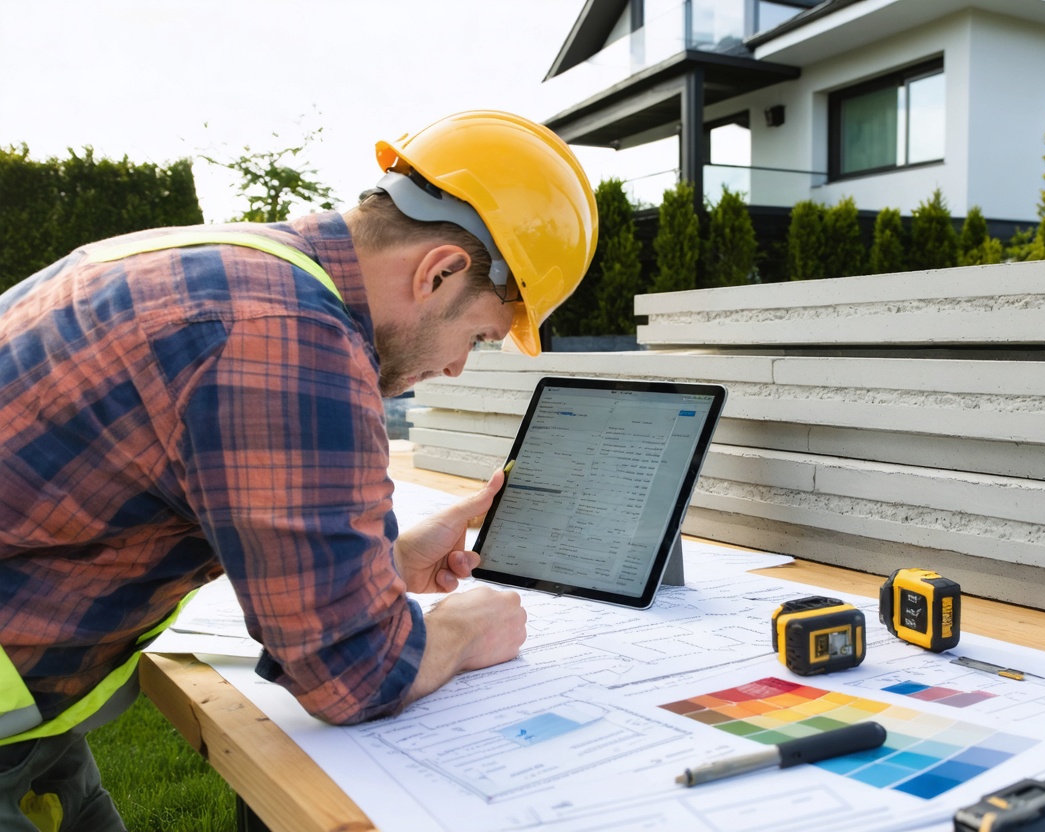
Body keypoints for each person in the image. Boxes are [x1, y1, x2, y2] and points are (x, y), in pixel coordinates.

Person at [0, 110, 598, 831]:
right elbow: (352, 674)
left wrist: (385, 560)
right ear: (440, 271)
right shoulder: (286, 338)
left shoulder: (226, 263)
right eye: (477, 335)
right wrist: (465, 631)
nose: (454, 366)